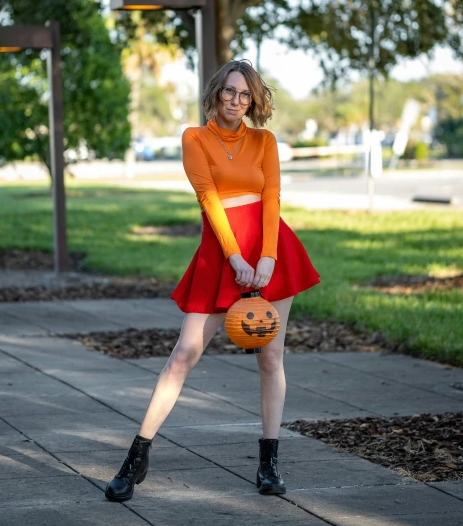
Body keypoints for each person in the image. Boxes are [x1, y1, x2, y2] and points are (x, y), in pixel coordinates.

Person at [105, 59, 320, 502]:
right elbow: (208, 198)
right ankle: (136, 459)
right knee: (182, 355)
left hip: (270, 253)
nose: (236, 102)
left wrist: (266, 257)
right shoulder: (194, 138)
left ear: (254, 100)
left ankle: (268, 464)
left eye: (245, 95)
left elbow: (272, 197)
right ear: (216, 93)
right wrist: (236, 257)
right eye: (229, 92)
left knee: (271, 360)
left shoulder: (265, 141)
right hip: (221, 256)